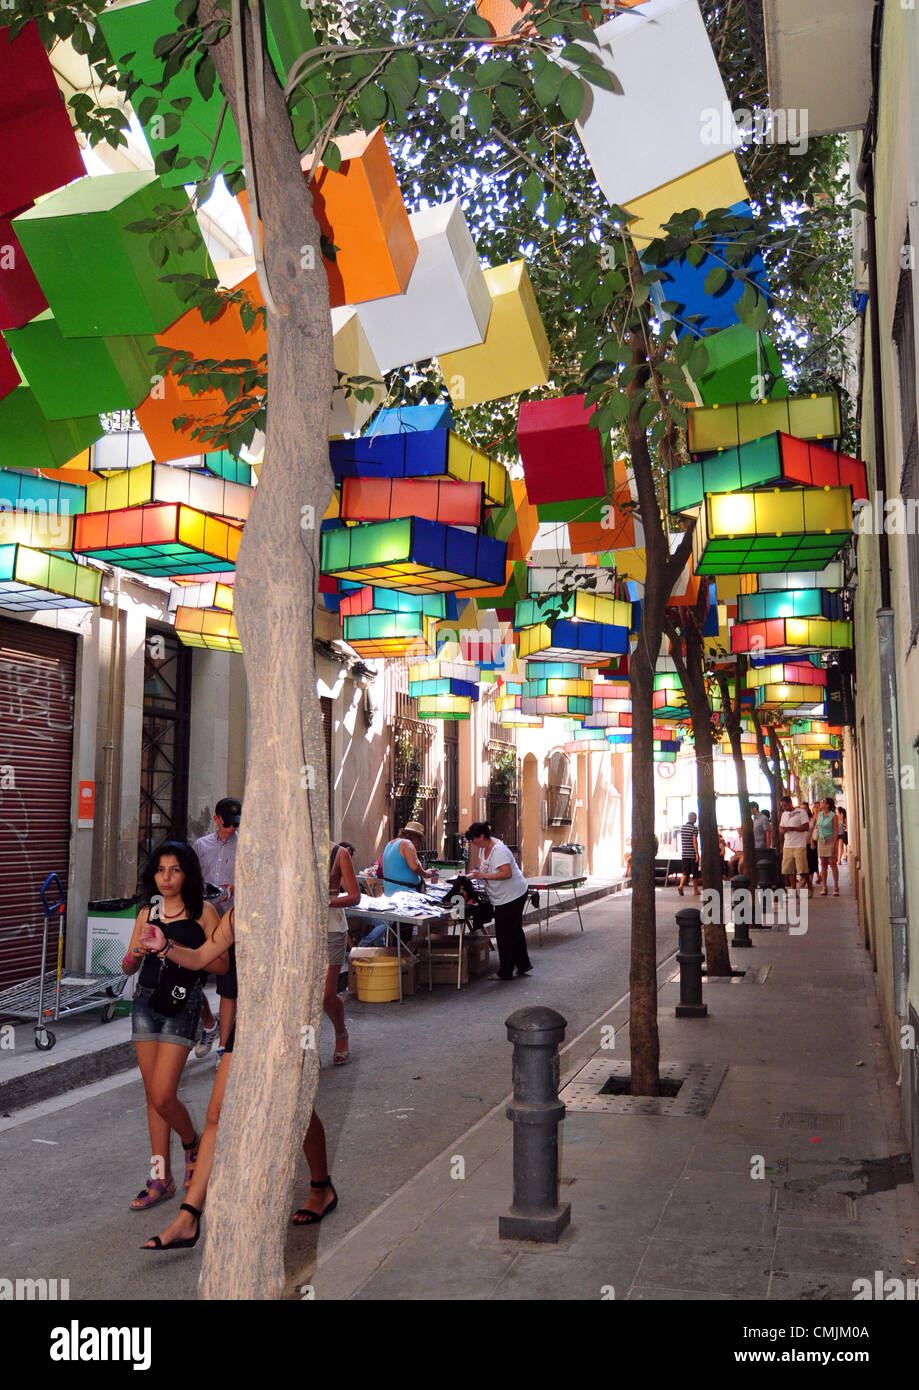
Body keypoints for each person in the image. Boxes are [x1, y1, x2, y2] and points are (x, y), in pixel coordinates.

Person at [137, 910, 337, 1249]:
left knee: (296, 1110)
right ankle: (188, 1219)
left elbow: (310, 972)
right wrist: (165, 947)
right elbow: (202, 957)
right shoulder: (237, 913)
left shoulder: (293, 899)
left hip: (288, 1021)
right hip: (249, 1023)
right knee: (217, 1116)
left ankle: (321, 1187)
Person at [121, 842, 227, 1211]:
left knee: (164, 1095)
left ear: (187, 874)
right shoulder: (147, 912)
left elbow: (221, 966)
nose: (166, 878)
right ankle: (160, 1177)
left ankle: (190, 1141)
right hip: (145, 1003)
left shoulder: (204, 913)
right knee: (153, 1096)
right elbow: (127, 966)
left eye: (175, 870)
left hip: (182, 1005)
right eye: (160, 870)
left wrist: (170, 948)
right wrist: (138, 951)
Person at [194, 797, 241, 1063]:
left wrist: (236, 889)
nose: (232, 829)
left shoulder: (246, 845)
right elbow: (191, 880)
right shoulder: (201, 846)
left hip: (231, 925)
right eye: (227, 824)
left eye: (235, 824)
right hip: (202, 923)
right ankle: (209, 1023)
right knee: (191, 982)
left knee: (228, 987)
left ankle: (224, 1049)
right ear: (216, 819)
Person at [465, 821, 531, 980]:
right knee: (514, 930)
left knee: (504, 933)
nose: (472, 844)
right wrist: (474, 876)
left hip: (512, 895)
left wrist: (484, 876)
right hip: (503, 895)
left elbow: (506, 873)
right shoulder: (483, 849)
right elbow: (484, 870)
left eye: (473, 840)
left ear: (482, 837)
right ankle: (523, 965)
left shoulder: (499, 850)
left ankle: (506, 971)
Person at [360, 821, 439, 948]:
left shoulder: (390, 843)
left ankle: (397, 953)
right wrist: (426, 873)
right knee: (404, 929)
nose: (418, 844)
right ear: (414, 836)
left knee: (396, 927)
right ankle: (403, 957)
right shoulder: (407, 844)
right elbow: (414, 866)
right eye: (419, 840)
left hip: (391, 890)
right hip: (404, 892)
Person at [326, 842, 360, 1065]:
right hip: (297, 929)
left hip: (331, 928)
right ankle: (306, 1049)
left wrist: (326, 901)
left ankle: (341, 1033)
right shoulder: (288, 848)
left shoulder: (339, 853)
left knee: (325, 994)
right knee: (303, 996)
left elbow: (354, 896)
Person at [779, 795, 812, 895]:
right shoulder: (784, 814)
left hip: (799, 844)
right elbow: (781, 828)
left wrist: (792, 828)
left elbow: (806, 827)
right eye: (782, 806)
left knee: (802, 869)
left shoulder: (801, 812)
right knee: (789, 870)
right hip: (788, 844)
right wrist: (783, 830)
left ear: (790, 803)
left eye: (785, 805)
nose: (784, 808)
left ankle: (809, 885)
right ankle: (794, 891)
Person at [813, 796, 840, 895]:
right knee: (823, 864)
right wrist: (813, 840)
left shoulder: (833, 816)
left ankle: (836, 887)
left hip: (830, 840)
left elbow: (836, 831)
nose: (821, 803)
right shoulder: (819, 815)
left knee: (833, 864)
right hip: (821, 841)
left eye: (823, 802)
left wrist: (834, 845)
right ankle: (824, 887)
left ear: (828, 805)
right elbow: (816, 827)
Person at [678, 812, 700, 896]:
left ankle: (681, 885)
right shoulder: (694, 828)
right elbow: (695, 841)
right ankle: (695, 890)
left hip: (684, 853)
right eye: (696, 817)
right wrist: (697, 854)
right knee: (695, 872)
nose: (696, 819)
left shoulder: (682, 828)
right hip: (692, 853)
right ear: (693, 818)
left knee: (685, 872)